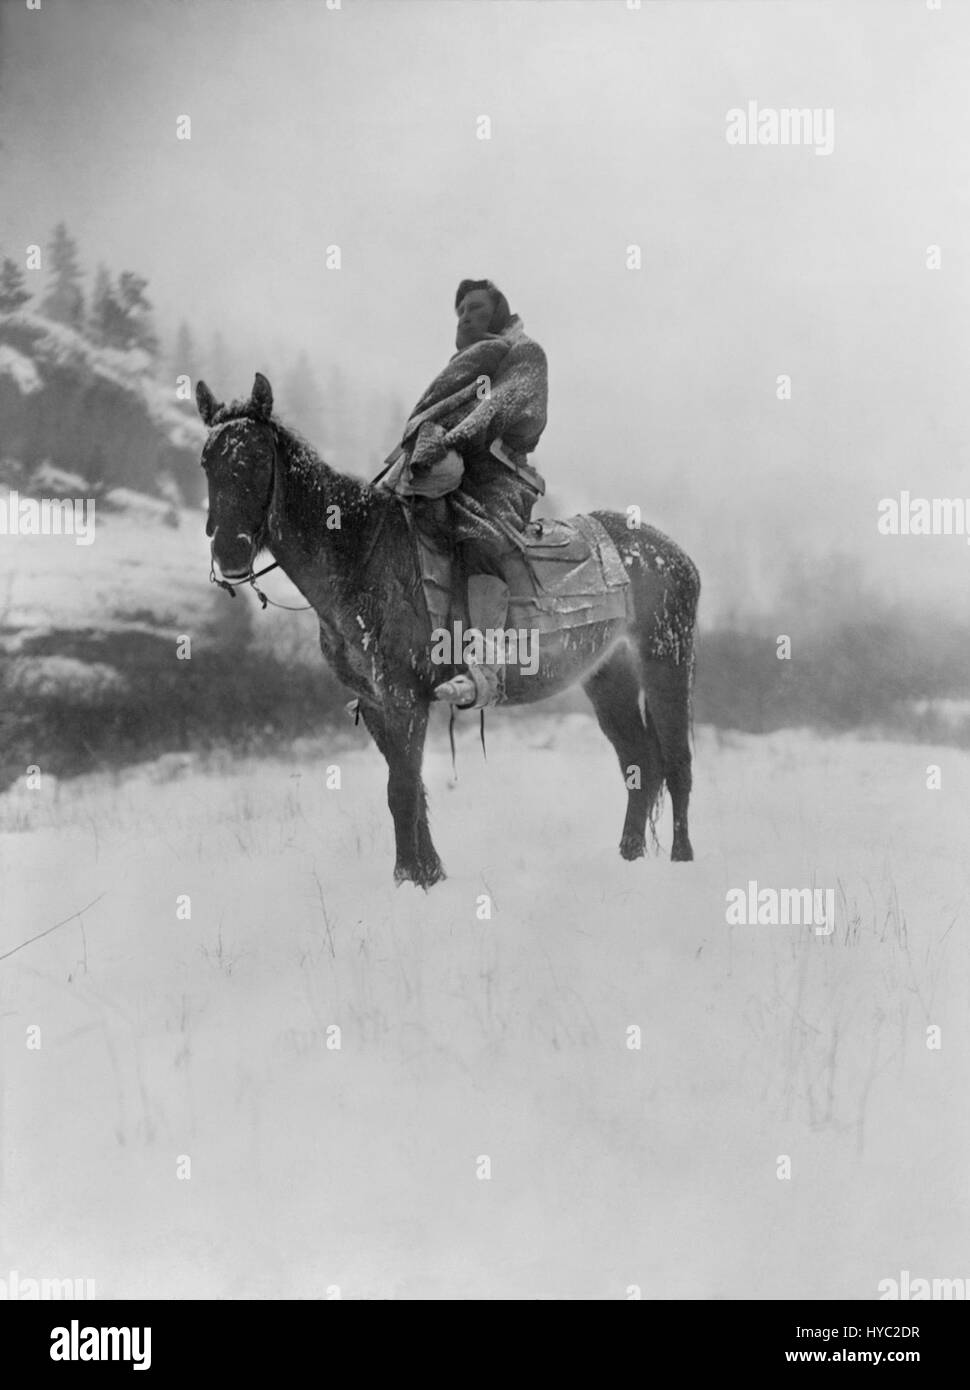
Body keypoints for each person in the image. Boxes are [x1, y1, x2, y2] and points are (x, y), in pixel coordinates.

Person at [378, 278, 548, 707]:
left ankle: (485, 669)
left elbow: (505, 408)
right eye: (461, 311)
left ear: (498, 310)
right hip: (448, 471)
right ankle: (399, 661)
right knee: (401, 533)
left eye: (475, 307)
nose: (466, 315)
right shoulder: (461, 367)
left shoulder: (525, 353)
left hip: (498, 476)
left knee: (481, 538)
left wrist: (449, 440)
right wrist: (426, 448)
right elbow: (428, 418)